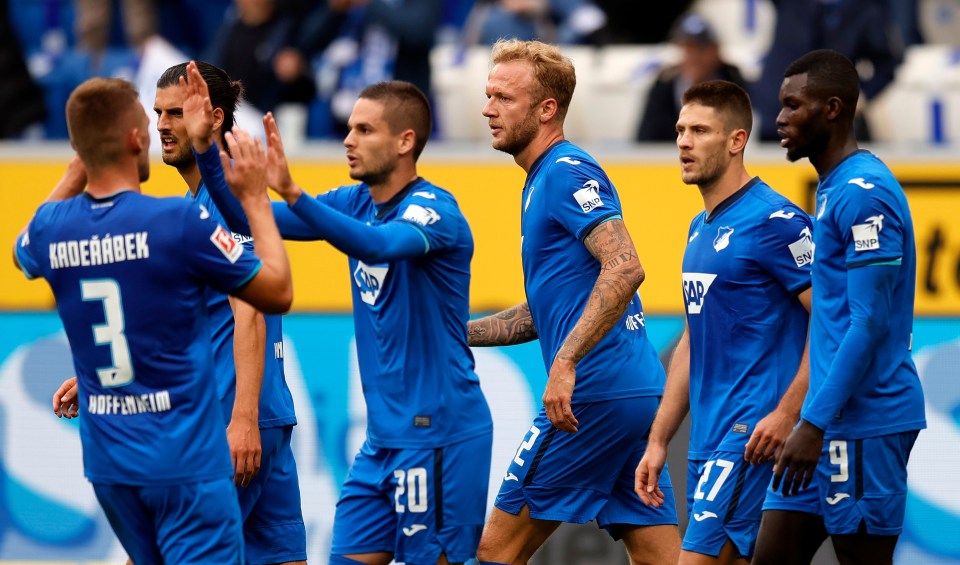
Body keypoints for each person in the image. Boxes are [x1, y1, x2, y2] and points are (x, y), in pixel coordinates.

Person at [189, 78, 493, 565]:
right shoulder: (355, 203)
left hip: (439, 436)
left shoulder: (435, 210)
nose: (348, 139)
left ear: (405, 141)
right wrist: (206, 147)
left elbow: (379, 245)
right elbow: (249, 219)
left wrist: (292, 192)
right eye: (348, 127)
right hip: (382, 444)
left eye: (364, 129)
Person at [15, 76, 293, 563]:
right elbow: (214, 307)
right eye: (154, 116)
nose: (161, 126)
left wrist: (243, 416)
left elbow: (248, 313)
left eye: (173, 113)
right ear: (133, 138)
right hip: (233, 422)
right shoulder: (183, 216)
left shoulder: (211, 204)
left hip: (221, 423)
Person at [469, 38, 680, 565]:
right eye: (488, 94)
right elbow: (543, 313)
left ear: (546, 109)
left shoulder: (565, 170)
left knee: (494, 552)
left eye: (503, 97)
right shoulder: (541, 178)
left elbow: (626, 265)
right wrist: (459, 332)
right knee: (661, 558)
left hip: (592, 397)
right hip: (632, 395)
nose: (487, 108)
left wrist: (565, 362)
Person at [633, 80, 813, 565]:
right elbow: (693, 340)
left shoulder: (777, 221)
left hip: (750, 437)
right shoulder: (700, 228)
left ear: (736, 141)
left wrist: (787, 413)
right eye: (679, 130)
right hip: (707, 439)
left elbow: (833, 320)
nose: (683, 142)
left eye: (699, 130)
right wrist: (657, 441)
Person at [768, 49, 926, 564]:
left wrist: (810, 422)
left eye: (794, 106)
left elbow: (868, 322)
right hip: (831, 421)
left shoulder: (864, 194)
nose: (780, 118)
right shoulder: (835, 188)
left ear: (832, 109)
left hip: (865, 422)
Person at [751, 0, 903, 142]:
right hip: (777, 115)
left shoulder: (865, 9)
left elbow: (887, 64)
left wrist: (862, 94)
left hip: (828, 124)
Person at [635, 13, 748, 142]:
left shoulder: (737, 86)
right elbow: (644, 141)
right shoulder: (663, 90)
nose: (694, 57)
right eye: (687, 48)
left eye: (701, 49)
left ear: (716, 50)